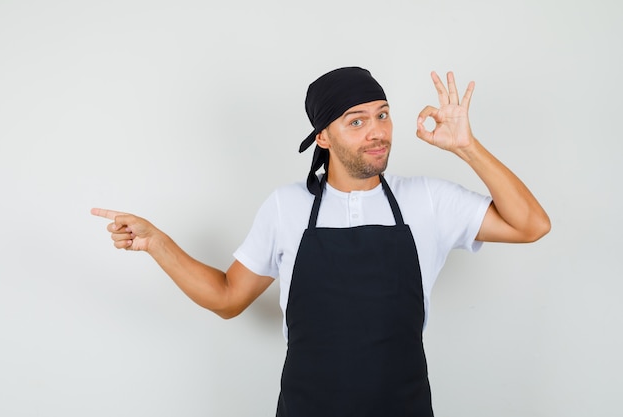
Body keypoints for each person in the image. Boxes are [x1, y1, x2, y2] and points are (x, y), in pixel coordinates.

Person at [92, 67, 550, 417]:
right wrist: (157, 243)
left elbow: (532, 225)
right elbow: (228, 298)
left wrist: (465, 146)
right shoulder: (285, 207)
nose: (378, 131)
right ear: (324, 137)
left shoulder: (427, 200)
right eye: (357, 121)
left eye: (382, 115)